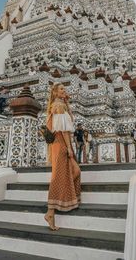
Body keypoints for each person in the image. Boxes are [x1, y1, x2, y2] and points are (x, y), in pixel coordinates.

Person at [45, 83, 81, 231]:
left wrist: (67, 101)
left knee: (74, 172)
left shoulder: (61, 104)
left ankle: (61, 201)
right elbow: (64, 130)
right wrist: (68, 148)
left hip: (61, 144)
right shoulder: (57, 106)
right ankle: (50, 212)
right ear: (54, 92)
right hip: (61, 144)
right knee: (59, 176)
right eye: (61, 89)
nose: (64, 91)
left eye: (64, 89)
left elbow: (70, 120)